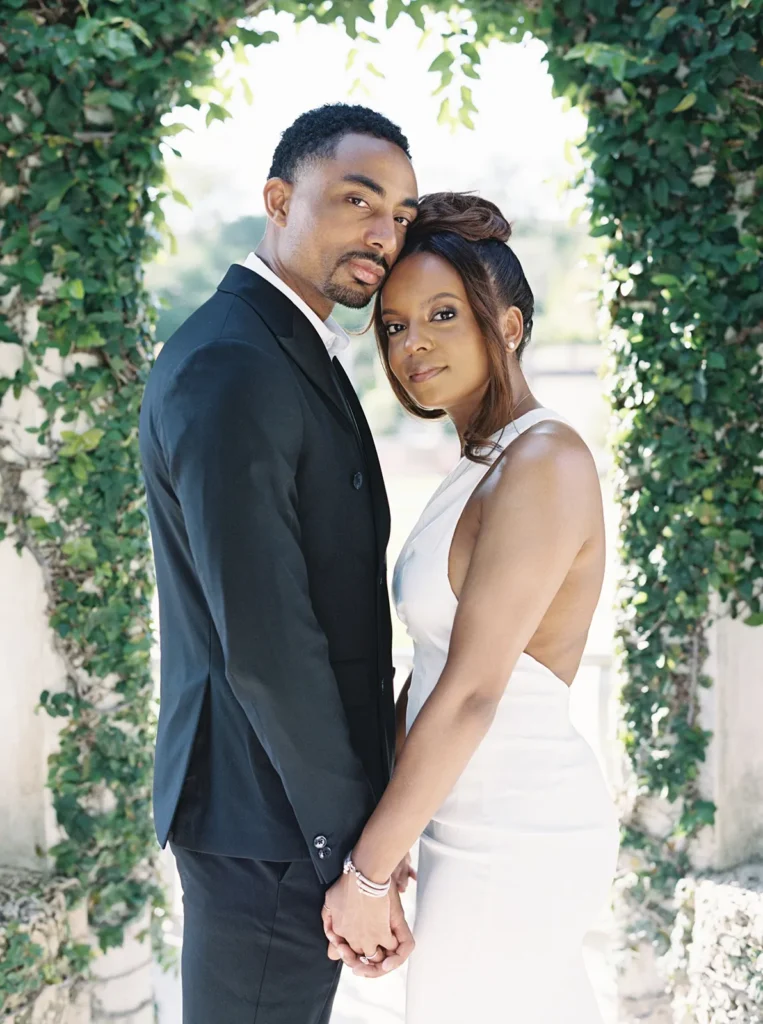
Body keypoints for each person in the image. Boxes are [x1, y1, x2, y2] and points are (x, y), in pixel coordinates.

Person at [138, 103, 419, 1024]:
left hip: (283, 811)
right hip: (266, 817)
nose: (383, 234)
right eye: (356, 200)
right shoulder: (234, 364)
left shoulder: (284, 349)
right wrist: (353, 851)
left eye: (402, 215)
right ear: (277, 199)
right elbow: (267, 639)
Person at [323, 192, 620, 1023]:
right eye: (392, 325)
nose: (412, 343)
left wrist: (369, 871)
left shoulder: (545, 459)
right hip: (461, 817)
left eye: (443, 315)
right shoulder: (479, 462)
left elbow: (473, 687)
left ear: (511, 325)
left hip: (517, 828)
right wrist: (393, 829)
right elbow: (425, 673)